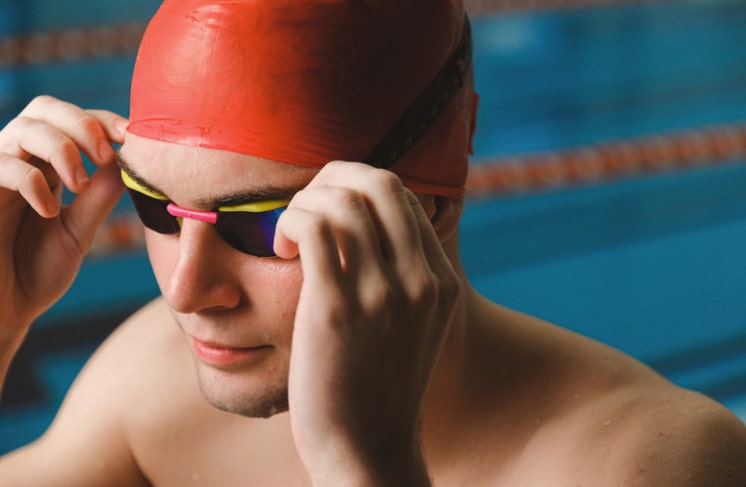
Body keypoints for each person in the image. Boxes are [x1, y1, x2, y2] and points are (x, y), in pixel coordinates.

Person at [1, 0, 745, 485]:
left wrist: (367, 468)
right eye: (154, 206)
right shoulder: (154, 384)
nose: (187, 290)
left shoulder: (653, 461)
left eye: (261, 223)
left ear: (428, 204)